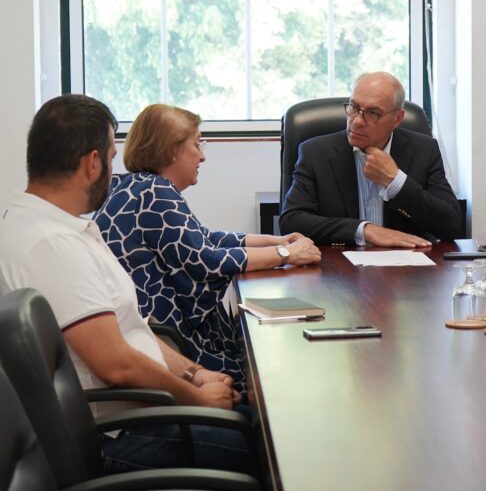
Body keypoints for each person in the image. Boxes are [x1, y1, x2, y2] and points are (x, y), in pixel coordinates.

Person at [0, 94, 259, 474]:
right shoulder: (50, 244)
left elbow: (131, 327)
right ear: (91, 164)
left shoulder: (63, 226)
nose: (112, 167)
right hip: (121, 437)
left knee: (260, 413)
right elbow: (116, 364)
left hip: (144, 412)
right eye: (110, 157)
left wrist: (195, 374)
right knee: (274, 447)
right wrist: (197, 400)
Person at [95, 103, 321, 391]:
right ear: (171, 150)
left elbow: (206, 238)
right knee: (276, 372)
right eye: (197, 145)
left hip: (153, 335)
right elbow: (207, 260)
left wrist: (278, 241)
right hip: (173, 344)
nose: (202, 156)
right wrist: (286, 255)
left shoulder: (133, 186)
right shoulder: (154, 192)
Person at [280, 71, 464, 246]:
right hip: (340, 268)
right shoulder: (315, 153)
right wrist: (364, 230)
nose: (358, 121)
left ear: (397, 118)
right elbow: (291, 221)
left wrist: (396, 181)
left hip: (407, 269)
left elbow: (452, 226)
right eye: (354, 107)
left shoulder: (424, 150)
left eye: (373, 113)